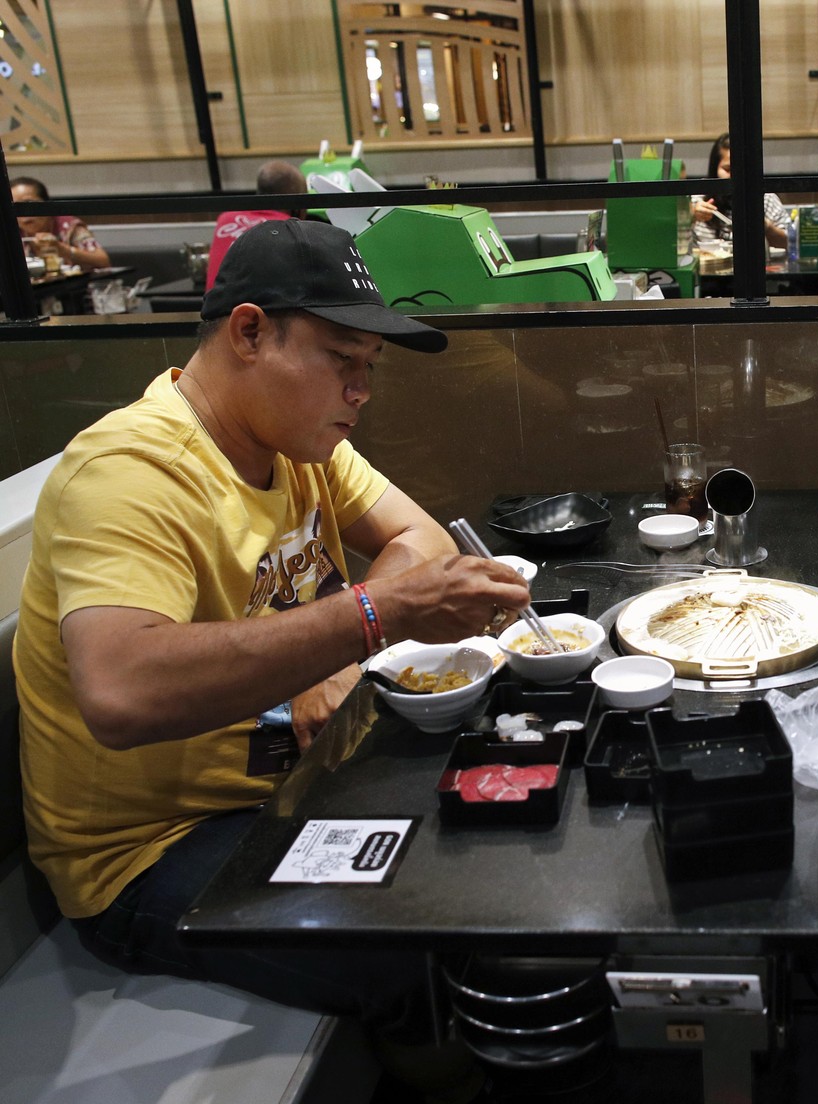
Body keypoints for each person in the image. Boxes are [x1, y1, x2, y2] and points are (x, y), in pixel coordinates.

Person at [14, 218, 531, 1103]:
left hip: (283, 790)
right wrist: (368, 616)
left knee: (502, 813)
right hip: (147, 855)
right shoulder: (130, 469)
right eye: (343, 359)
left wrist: (330, 656)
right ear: (249, 332)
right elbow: (121, 688)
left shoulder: (299, 447)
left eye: (371, 365)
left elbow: (416, 535)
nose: (361, 390)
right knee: (424, 937)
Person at [205, 159, 307, 289]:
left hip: (212, 307)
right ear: (296, 198)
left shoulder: (225, 218)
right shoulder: (289, 228)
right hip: (254, 308)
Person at [690, 132, 790, 250]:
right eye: (728, 169)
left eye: (741, 169)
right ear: (715, 168)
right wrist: (692, 215)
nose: (735, 176)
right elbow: (674, 235)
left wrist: (766, 227)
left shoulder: (766, 198)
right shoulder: (700, 195)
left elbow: (788, 243)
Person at [11, 175, 111, 272]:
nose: (24, 214)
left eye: (29, 204)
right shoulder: (11, 231)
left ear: (46, 204)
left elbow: (103, 260)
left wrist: (63, 250)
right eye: (16, 207)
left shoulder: (68, 226)